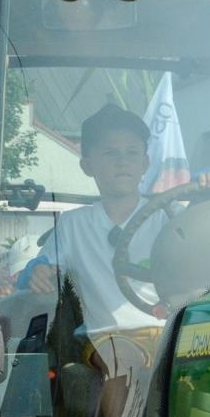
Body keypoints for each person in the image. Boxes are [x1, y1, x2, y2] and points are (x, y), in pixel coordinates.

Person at [25, 104, 167, 337]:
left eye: (132, 152)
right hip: (106, 344)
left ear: (144, 164)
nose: (122, 161)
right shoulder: (73, 226)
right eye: (111, 153)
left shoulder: (167, 219)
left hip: (168, 337)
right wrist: (37, 270)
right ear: (87, 166)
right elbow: (41, 268)